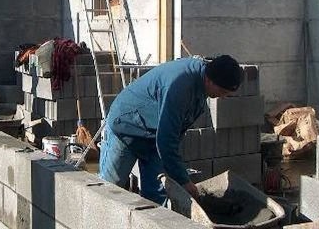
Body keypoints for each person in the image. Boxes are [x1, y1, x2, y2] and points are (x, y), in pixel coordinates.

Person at [99, 55, 243, 205]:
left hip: (153, 135)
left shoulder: (202, 83)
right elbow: (166, 140)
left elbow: (174, 133)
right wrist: (183, 180)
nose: (224, 97)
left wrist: (175, 170)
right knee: (110, 191)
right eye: (223, 91)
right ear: (209, 80)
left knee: (156, 197)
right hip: (126, 127)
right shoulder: (180, 85)